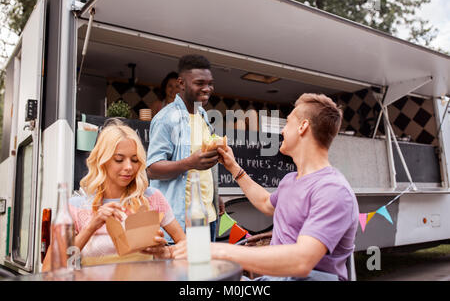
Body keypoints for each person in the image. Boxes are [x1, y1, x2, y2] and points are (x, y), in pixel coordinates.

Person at [174, 93, 359, 281]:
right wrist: (232, 166)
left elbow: (301, 262)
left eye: (287, 123)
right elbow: (265, 203)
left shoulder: (333, 190)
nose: (282, 131)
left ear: (303, 127)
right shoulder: (290, 180)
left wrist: (216, 250)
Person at [42, 120, 185, 271]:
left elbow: (185, 246)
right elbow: (50, 267)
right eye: (119, 159)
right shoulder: (76, 206)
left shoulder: (151, 198)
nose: (129, 167)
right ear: (102, 161)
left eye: (135, 160)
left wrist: (166, 252)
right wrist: (91, 226)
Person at [146, 54, 224, 243]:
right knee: (182, 273)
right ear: (181, 83)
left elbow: (203, 168)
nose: (207, 88)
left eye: (210, 83)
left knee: (205, 272)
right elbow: (151, 169)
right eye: (199, 83)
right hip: (182, 221)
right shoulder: (166, 118)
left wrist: (215, 195)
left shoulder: (204, 116)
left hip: (209, 216)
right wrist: (189, 163)